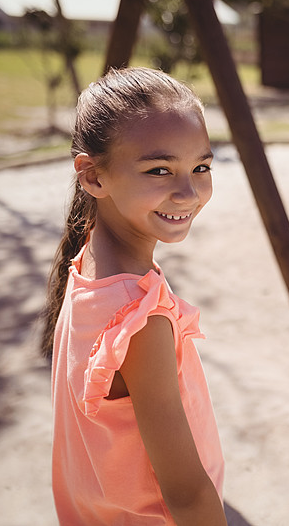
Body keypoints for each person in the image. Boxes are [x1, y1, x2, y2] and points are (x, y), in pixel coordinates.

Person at [41, 67, 226, 525]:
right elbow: (186, 493)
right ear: (92, 176)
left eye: (201, 167)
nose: (187, 192)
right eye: (159, 170)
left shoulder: (87, 263)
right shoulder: (139, 318)